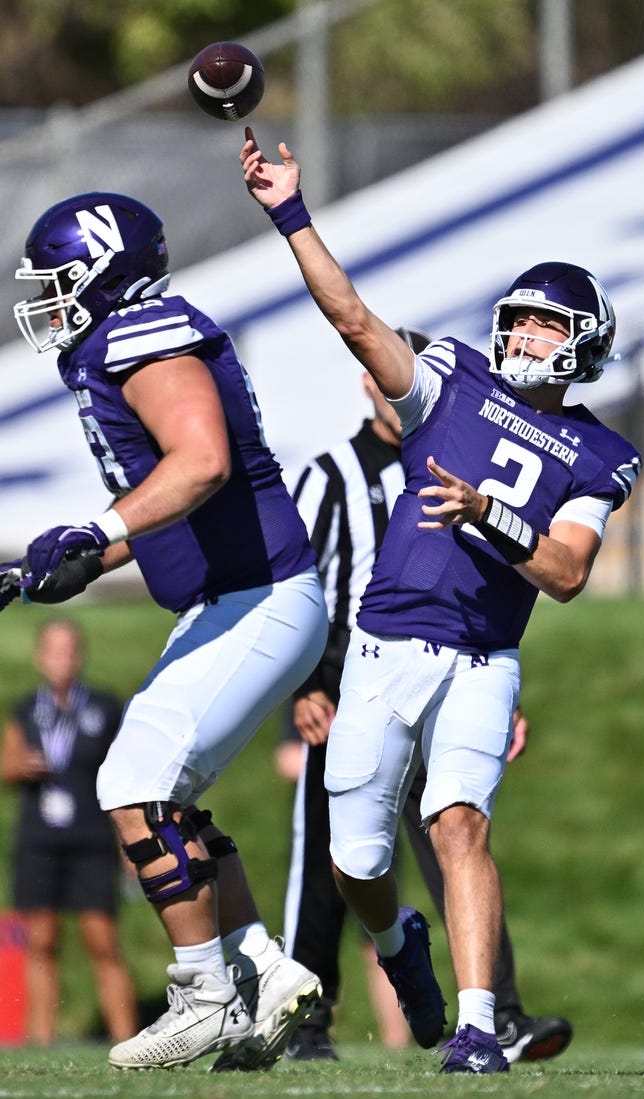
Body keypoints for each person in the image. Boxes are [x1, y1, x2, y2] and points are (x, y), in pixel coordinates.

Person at [239, 130, 641, 1075]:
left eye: (548, 326)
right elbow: (352, 318)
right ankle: (397, 949)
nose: (526, 336)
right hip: (381, 647)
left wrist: (484, 511)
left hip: (480, 658)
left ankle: (475, 1026)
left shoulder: (596, 455)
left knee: (460, 822)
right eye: (523, 319)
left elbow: (568, 570)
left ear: (581, 347)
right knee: (358, 860)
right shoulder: (449, 381)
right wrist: (288, 213)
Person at [0, 191, 329, 1072]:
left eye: (62, 280)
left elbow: (203, 461)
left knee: (133, 777)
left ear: (107, 274)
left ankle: (204, 993)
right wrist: (62, 564)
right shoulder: (123, 341)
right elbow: (168, 506)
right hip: (242, 595)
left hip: (257, 595)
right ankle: (259, 966)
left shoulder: (137, 331)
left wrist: (99, 531)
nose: (50, 299)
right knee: (162, 793)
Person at [282, 349, 572, 1064]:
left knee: (460, 836)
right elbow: (294, 584)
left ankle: (495, 1016)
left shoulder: (464, 458)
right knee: (337, 858)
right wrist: (305, 682)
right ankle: (308, 1020)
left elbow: (480, 590)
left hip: (453, 670)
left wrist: (501, 695)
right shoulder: (328, 474)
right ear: (368, 383)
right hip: (357, 675)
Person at [0, 617, 138, 1046]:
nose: (63, 659)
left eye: (70, 650)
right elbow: (7, 766)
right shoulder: (26, 710)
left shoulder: (104, 706)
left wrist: (129, 848)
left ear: (81, 654)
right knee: (41, 943)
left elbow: (125, 775)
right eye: (54, 651)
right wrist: (17, 768)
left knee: (103, 942)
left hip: (92, 841)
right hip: (39, 842)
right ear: (40, 657)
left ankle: (128, 1039)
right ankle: (40, 1040)